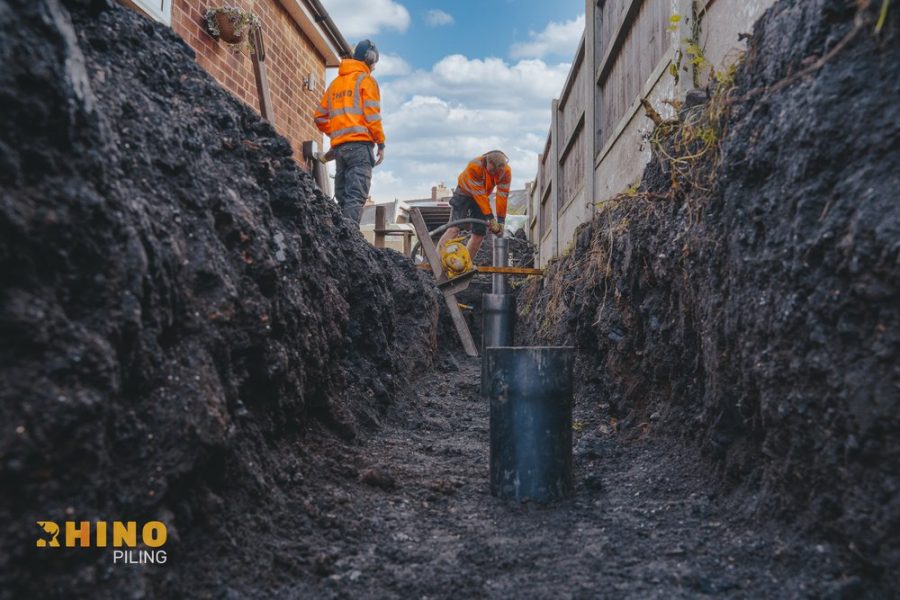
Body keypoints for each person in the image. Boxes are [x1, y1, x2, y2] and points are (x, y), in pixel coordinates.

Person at [313, 40, 385, 224]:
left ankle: (339, 242)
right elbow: (372, 117)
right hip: (360, 148)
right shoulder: (367, 81)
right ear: (370, 58)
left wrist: (339, 133)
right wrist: (381, 143)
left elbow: (320, 118)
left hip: (339, 150)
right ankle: (349, 243)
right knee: (355, 198)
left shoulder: (336, 84)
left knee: (342, 198)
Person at [437, 151, 511, 262]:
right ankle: (436, 263)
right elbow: (479, 196)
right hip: (464, 192)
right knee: (454, 228)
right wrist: (491, 219)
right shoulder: (475, 166)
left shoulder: (505, 172)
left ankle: (464, 265)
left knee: (479, 234)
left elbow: (502, 196)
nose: (493, 174)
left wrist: (501, 222)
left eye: (496, 172)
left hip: (482, 196)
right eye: (491, 171)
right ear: (486, 161)